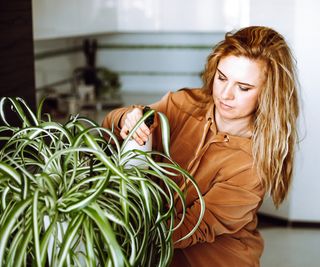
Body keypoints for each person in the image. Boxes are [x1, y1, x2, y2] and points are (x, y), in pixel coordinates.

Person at [102, 26, 299, 267]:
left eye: (243, 87)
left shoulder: (253, 163)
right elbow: (110, 132)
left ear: (268, 93)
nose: (225, 94)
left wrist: (110, 231)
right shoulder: (183, 104)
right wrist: (128, 119)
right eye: (222, 78)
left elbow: (190, 227)